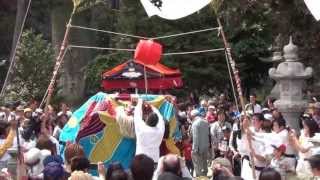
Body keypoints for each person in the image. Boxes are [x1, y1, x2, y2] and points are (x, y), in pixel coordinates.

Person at [133, 98, 165, 163]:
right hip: (154, 161)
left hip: (140, 160)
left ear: (147, 119)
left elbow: (137, 115)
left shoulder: (142, 128)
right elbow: (161, 118)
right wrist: (152, 107)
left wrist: (140, 102)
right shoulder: (160, 131)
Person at [190, 109, 209, 177]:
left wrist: (194, 149)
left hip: (198, 148)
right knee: (204, 163)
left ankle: (200, 177)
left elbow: (195, 137)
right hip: (205, 146)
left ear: (193, 116)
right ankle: (205, 176)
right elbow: (208, 134)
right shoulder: (206, 122)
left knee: (197, 165)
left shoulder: (195, 124)